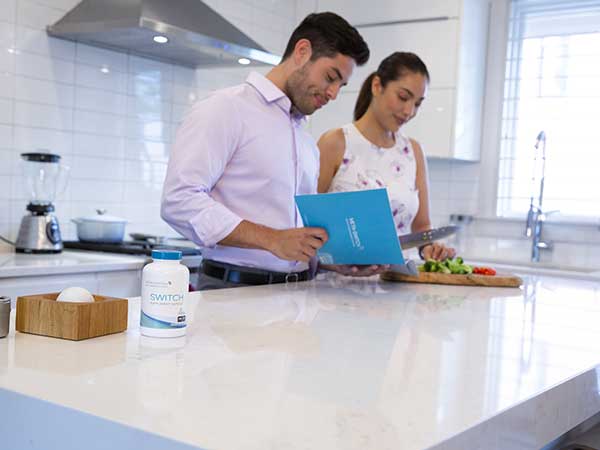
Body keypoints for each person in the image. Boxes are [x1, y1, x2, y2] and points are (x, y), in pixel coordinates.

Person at [161, 12, 376, 290]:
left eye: (341, 85)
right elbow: (179, 200)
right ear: (302, 51)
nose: (333, 93)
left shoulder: (305, 139)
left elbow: (293, 239)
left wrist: (332, 260)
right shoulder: (226, 108)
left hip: (296, 295)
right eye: (330, 77)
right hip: (233, 293)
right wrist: (272, 239)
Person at [317, 52, 456, 261]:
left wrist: (429, 249)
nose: (409, 111)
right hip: (337, 284)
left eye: (418, 103)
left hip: (397, 286)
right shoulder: (335, 143)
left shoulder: (413, 152)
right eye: (403, 97)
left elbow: (421, 227)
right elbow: (304, 221)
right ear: (377, 86)